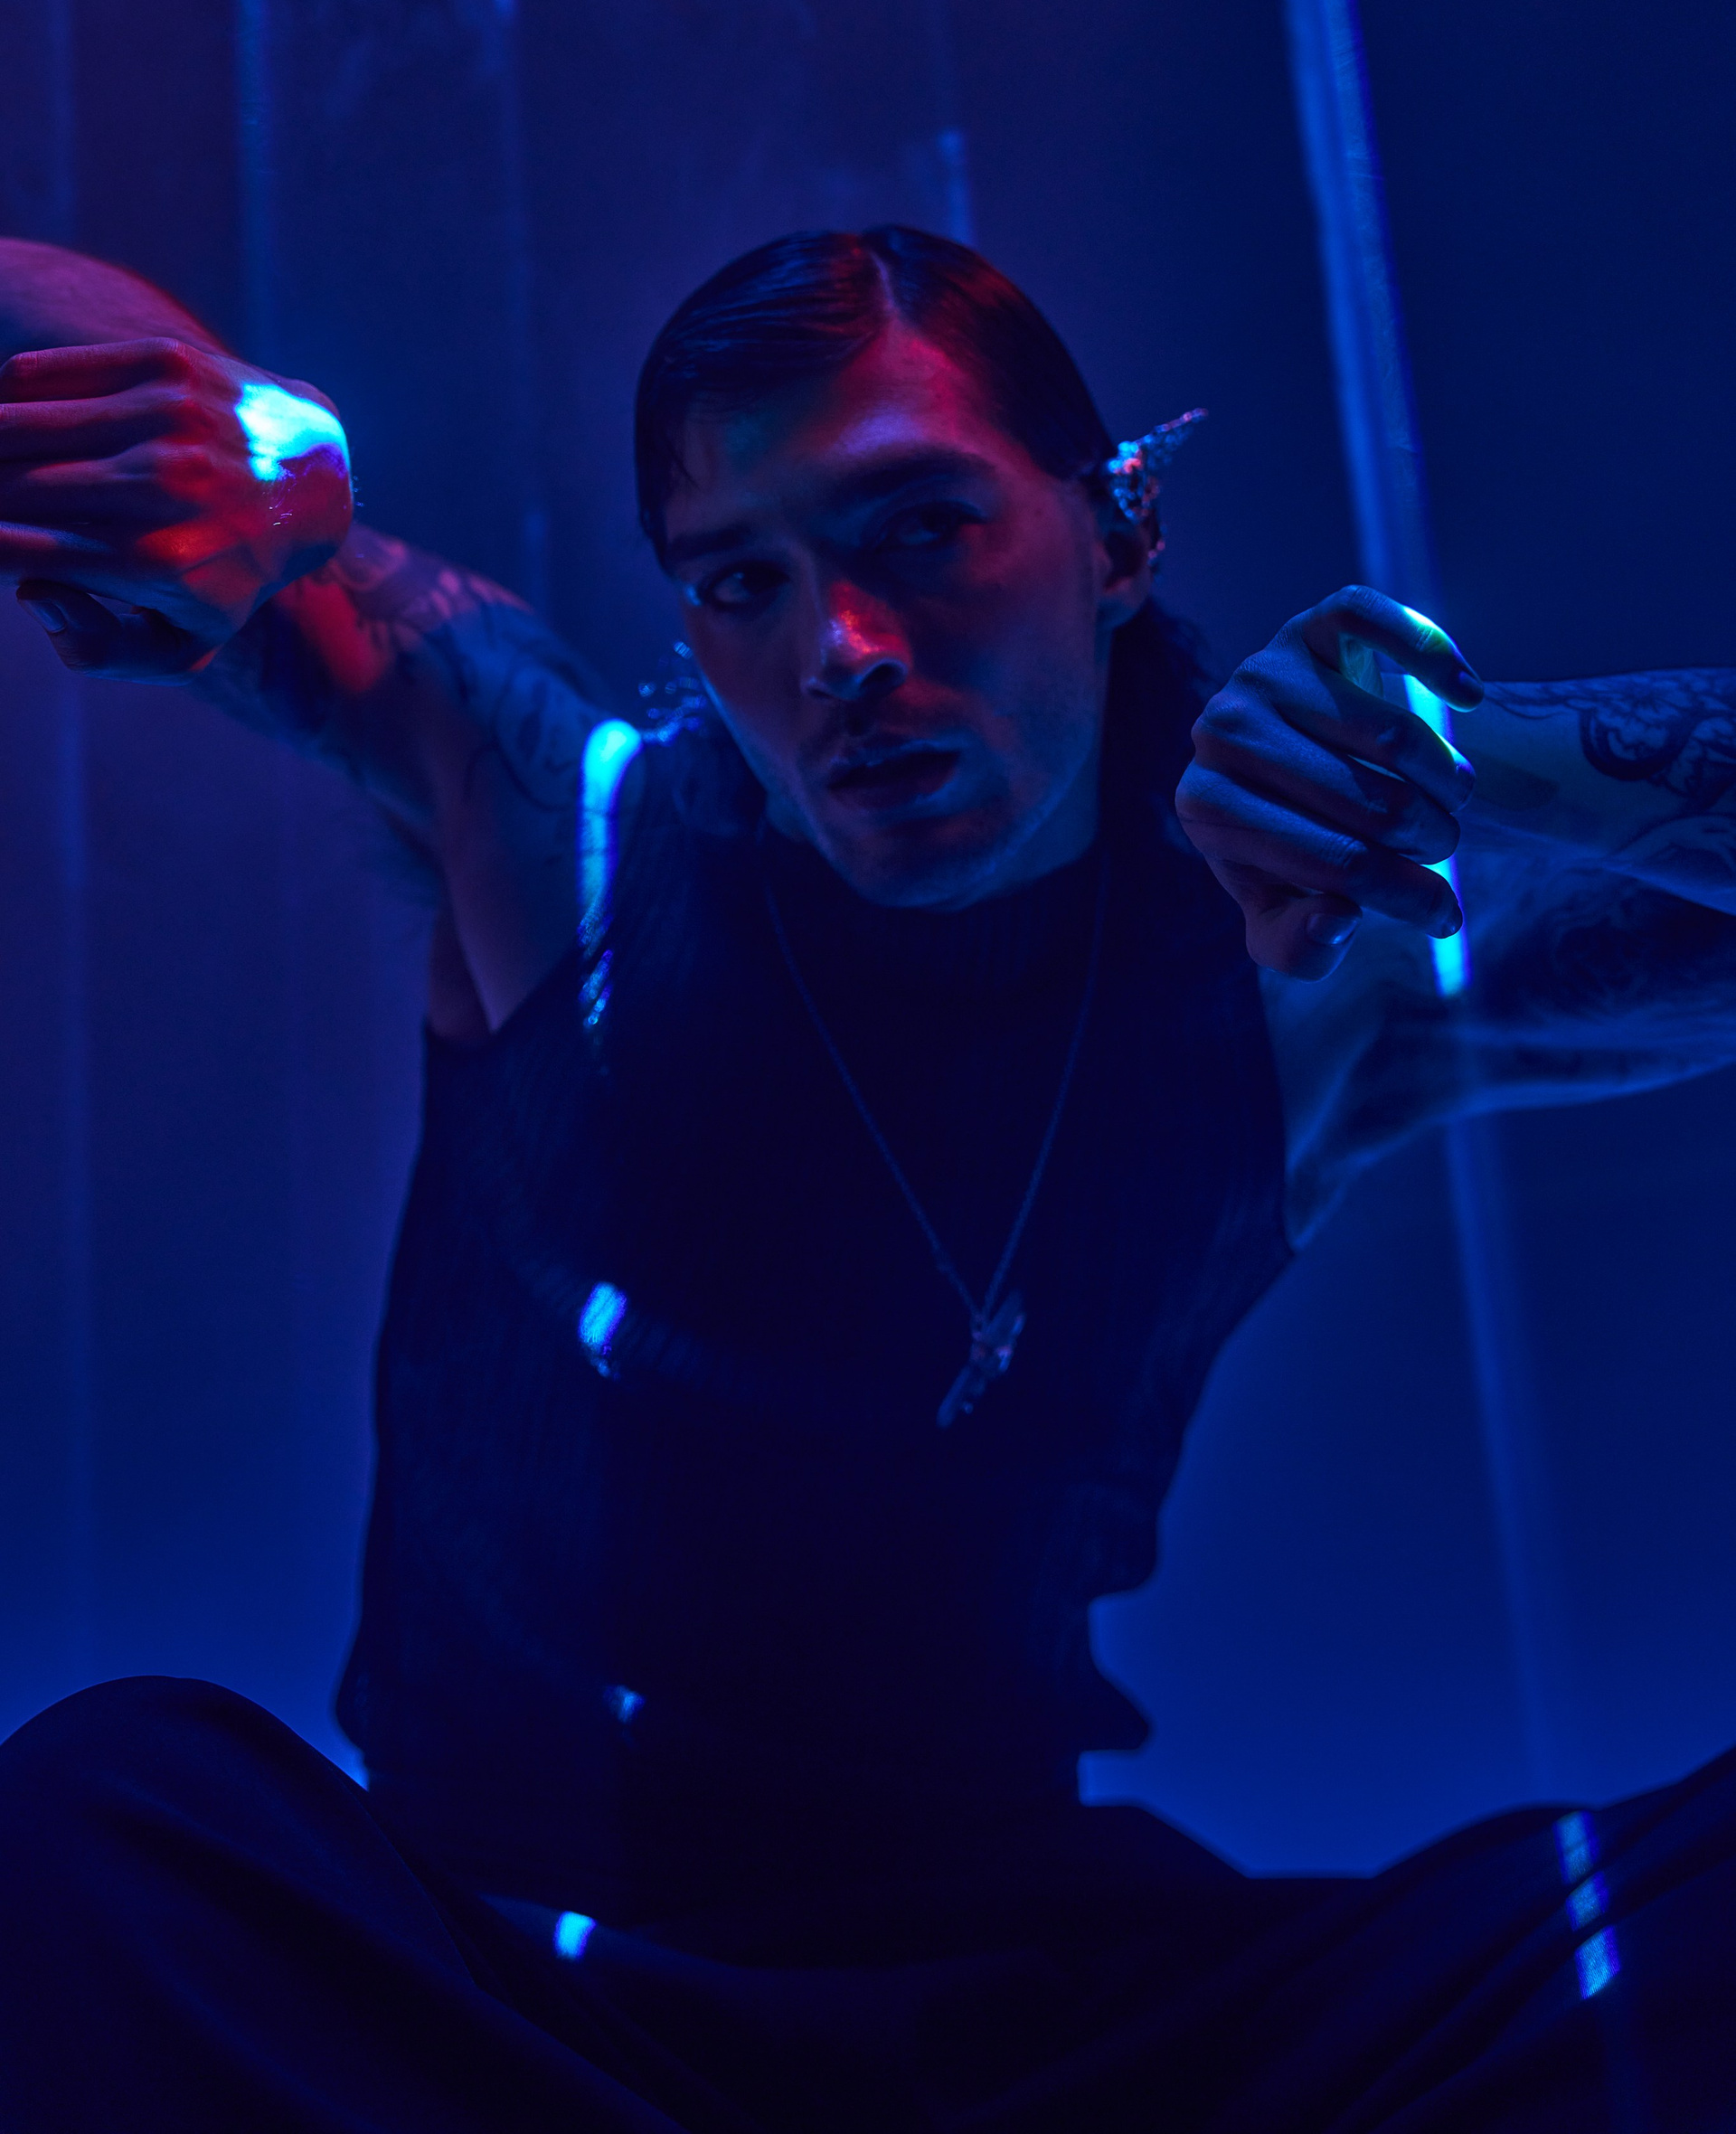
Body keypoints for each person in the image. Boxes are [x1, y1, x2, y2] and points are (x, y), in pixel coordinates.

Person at [0, 226, 1730, 2132]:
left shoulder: (1299, 980)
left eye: (921, 531)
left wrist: (1469, 754)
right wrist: (242, 429)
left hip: (1056, 2013)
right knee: (102, 1820)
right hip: (520, 2000)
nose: (838, 651)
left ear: (1121, 534)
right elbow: (120, 412)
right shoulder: (575, 845)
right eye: (743, 580)